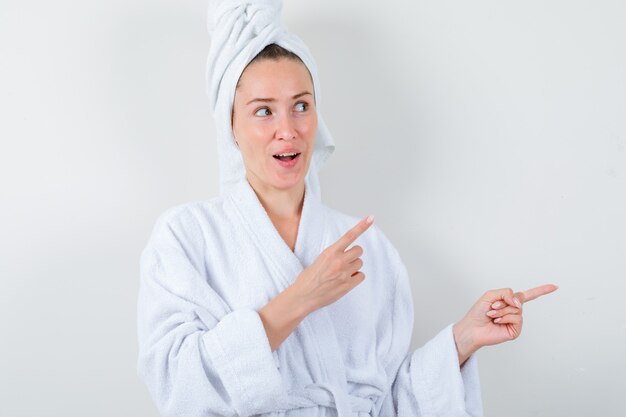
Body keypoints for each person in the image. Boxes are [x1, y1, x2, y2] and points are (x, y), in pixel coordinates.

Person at [136, 1, 558, 416]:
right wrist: (302, 297)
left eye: (301, 105)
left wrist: (464, 338)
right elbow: (179, 388)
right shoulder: (186, 237)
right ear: (231, 124)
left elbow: (387, 403)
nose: (288, 129)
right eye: (263, 111)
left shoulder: (367, 244)